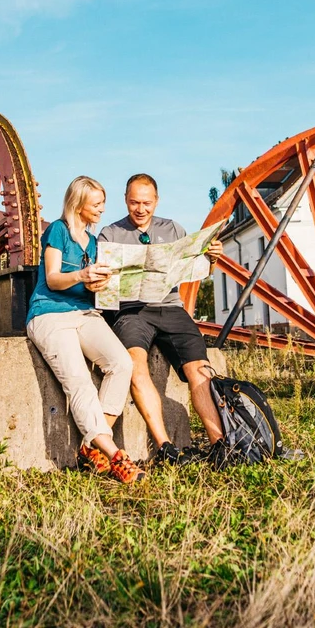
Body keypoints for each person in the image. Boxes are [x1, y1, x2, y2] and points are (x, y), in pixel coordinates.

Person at [98, 173, 228, 466]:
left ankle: (219, 444)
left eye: (146, 203)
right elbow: (103, 285)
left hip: (170, 307)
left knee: (200, 369)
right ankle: (166, 447)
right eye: (134, 202)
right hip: (131, 311)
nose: (140, 209)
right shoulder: (110, 234)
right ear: (125, 200)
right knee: (135, 363)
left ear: (156, 201)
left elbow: (198, 271)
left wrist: (213, 259)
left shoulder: (173, 229)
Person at [26, 175, 145, 484]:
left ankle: (90, 447)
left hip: (84, 312)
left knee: (121, 363)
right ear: (78, 205)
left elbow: (90, 287)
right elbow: (53, 279)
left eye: (103, 204)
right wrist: (81, 274)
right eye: (97, 204)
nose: (102, 210)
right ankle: (116, 454)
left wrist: (100, 283)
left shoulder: (93, 243)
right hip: (49, 314)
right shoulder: (57, 231)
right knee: (79, 382)